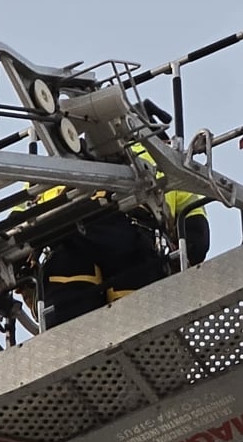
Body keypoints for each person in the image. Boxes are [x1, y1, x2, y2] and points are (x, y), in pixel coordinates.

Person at [35, 140, 210, 329]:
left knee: (68, 321)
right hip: (129, 243)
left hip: (71, 245)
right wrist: (187, 252)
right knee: (136, 323)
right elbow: (195, 228)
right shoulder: (161, 161)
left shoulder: (45, 168)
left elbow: (18, 227)